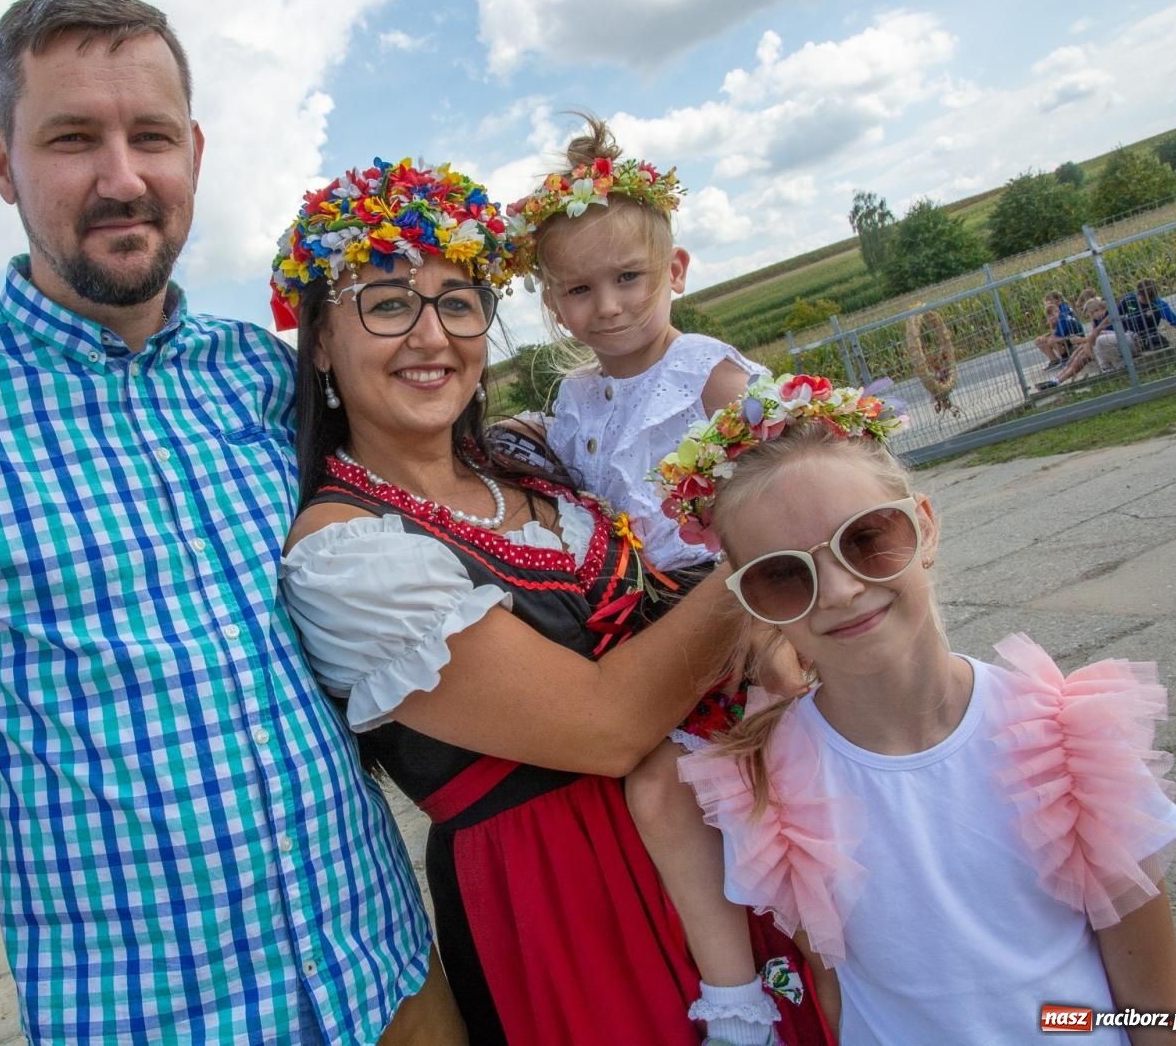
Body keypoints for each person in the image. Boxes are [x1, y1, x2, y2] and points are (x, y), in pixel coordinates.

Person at [0, 0, 459, 1043]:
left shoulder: (260, 377)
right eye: (71, 139)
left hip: (389, 976)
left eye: (151, 135)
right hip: (156, 1017)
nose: (122, 178)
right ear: (1, 163)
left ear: (193, 151)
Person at [272, 157, 832, 1046]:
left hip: (717, 840)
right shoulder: (347, 551)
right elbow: (606, 728)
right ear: (318, 343)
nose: (431, 335)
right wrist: (773, 548)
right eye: (386, 304)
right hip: (566, 903)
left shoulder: (531, 457)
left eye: (459, 303)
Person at [658, 374, 1176, 1045]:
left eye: (865, 539)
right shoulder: (766, 786)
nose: (841, 590)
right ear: (750, 600)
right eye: (784, 574)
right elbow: (833, 989)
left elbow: (1158, 1011)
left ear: (925, 525)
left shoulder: (1067, 741)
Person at [502, 115, 792, 1046]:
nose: (610, 307)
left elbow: (789, 476)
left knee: (796, 750)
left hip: (740, 597)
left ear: (677, 271)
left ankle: (838, 942)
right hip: (643, 621)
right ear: (554, 305)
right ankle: (737, 999)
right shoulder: (573, 399)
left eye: (630, 278)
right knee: (660, 792)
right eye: (580, 290)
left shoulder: (709, 376)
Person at [1037, 295, 1116, 390]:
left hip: (1108, 347)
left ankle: (1057, 380)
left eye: (1092, 313)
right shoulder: (1099, 319)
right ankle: (1056, 379)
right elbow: (1094, 336)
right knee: (1080, 351)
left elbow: (1099, 336)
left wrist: (1081, 340)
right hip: (1101, 345)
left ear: (1099, 309)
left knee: (1082, 354)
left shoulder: (1108, 317)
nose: (1092, 316)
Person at [1119, 278, 1176, 351]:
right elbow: (1114, 318)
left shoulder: (1159, 305)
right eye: (1144, 298)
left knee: (1160, 343)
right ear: (1138, 293)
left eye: (1150, 299)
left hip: (1149, 335)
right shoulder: (1128, 300)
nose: (1148, 301)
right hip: (1126, 334)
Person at [1033, 290, 1083, 369]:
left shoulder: (1063, 310)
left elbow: (1060, 333)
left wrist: (1049, 335)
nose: (1047, 304)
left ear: (1057, 301)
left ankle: (1065, 358)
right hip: (1066, 336)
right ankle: (1054, 361)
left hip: (1074, 337)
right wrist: (1047, 334)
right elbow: (1056, 330)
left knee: (1051, 340)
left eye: (1050, 302)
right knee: (1039, 340)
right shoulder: (1055, 310)